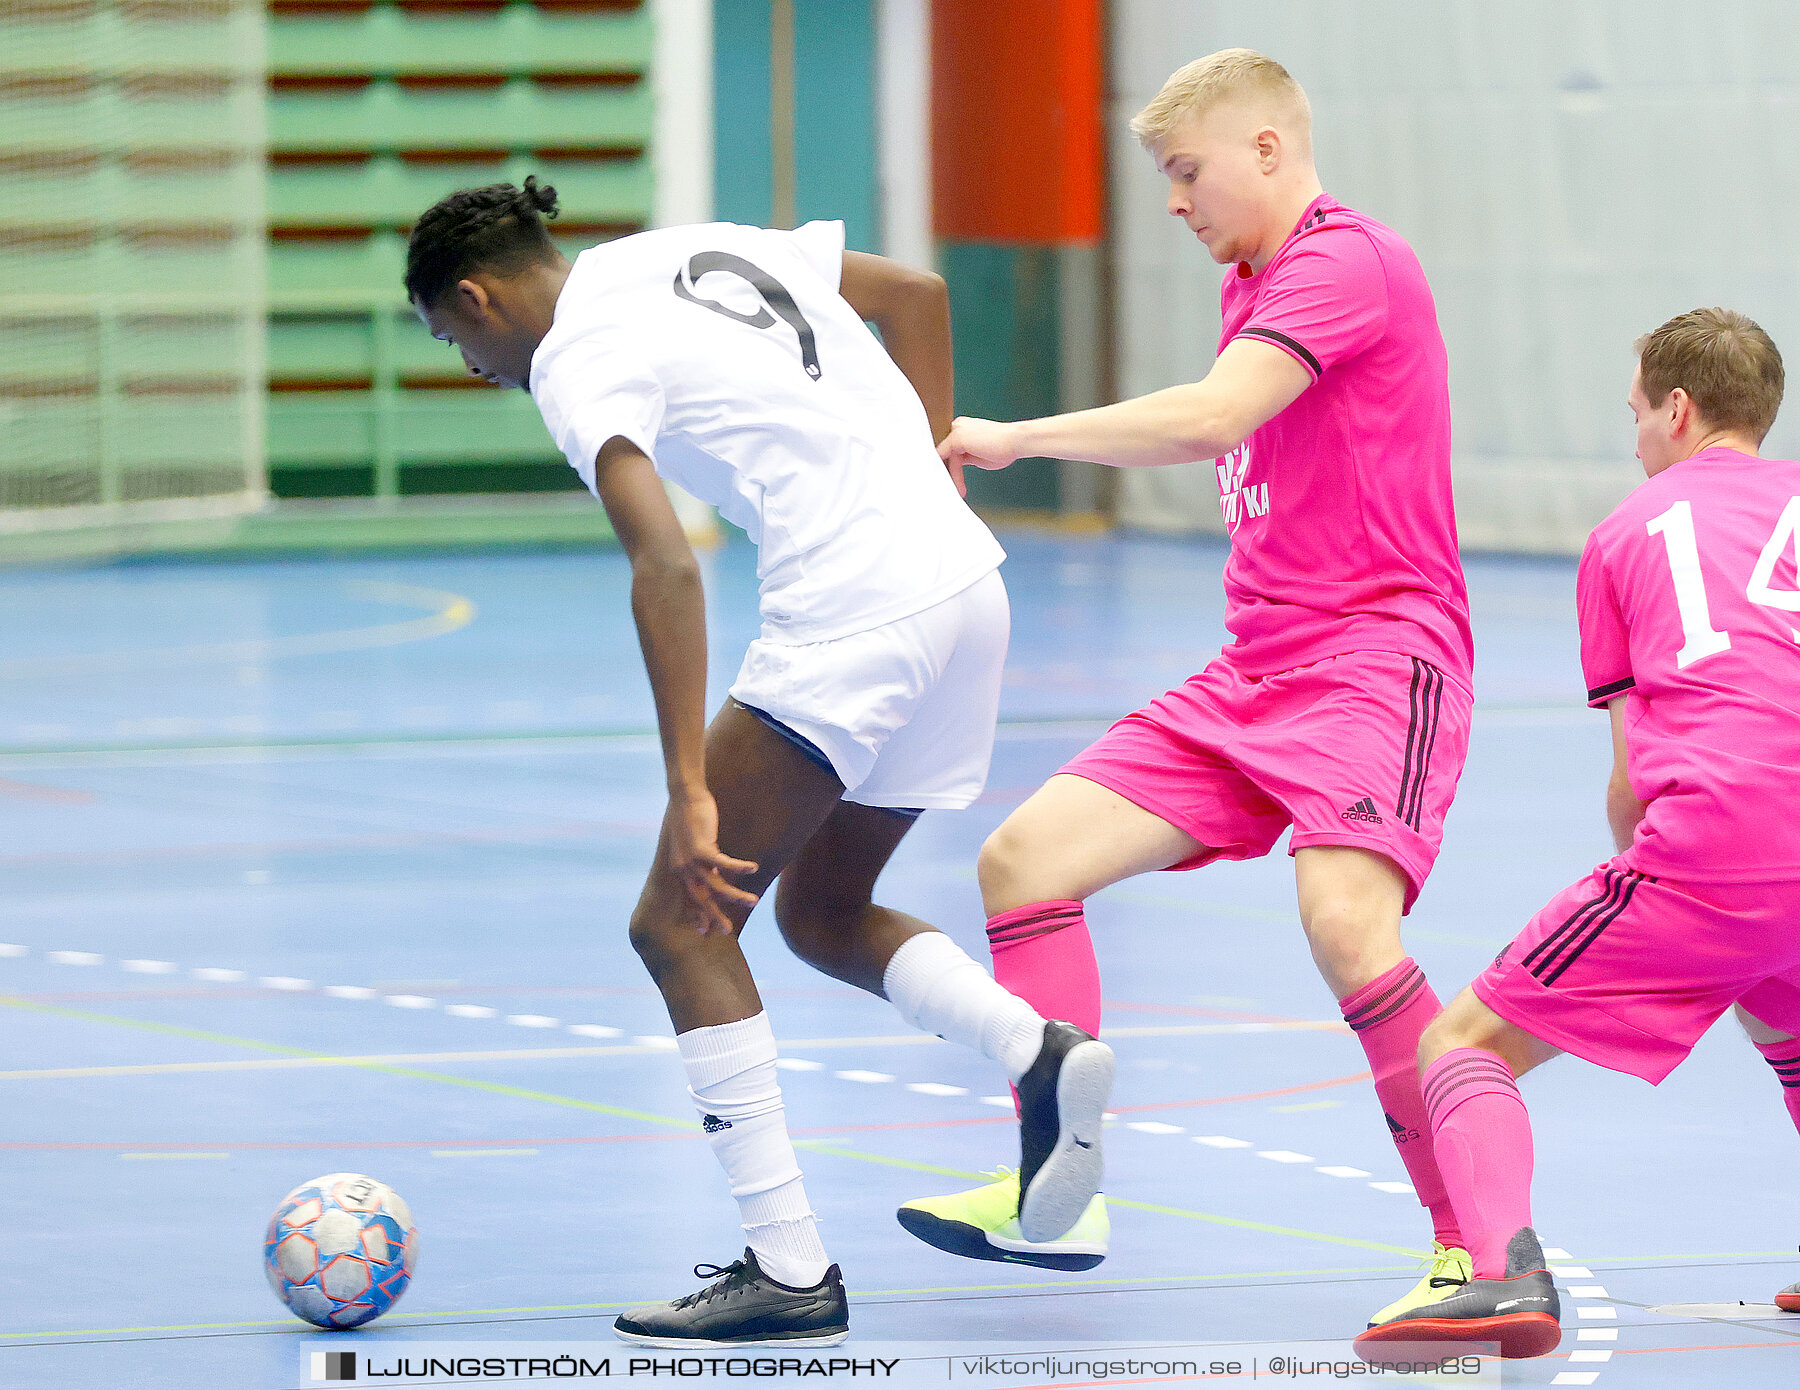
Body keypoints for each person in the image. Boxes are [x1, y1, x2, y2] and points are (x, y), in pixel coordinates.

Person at [403, 178, 1114, 1348]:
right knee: (825, 912)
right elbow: (918, 293)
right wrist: (934, 465)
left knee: (679, 923)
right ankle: (1037, 1051)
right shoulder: (669, 250)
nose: (474, 366)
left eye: (456, 342)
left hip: (854, 612)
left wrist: (690, 791)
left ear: (477, 297)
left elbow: (667, 570)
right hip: (966, 592)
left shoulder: (574, 363)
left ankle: (788, 1269)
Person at [898, 49, 1478, 1329]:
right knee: (1023, 859)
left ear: (1268, 148)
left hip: (1378, 656)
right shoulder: (1253, 283)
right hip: (1254, 671)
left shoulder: (1345, 261)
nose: (1175, 201)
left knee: (1345, 928)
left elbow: (1219, 419)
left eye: (1186, 171)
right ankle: (1062, 1185)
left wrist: (1021, 434)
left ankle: (1476, 1244)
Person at [1356, 308, 1800, 1359]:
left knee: (1460, 1041)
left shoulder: (1623, 534)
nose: (1635, 433)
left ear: (1679, 410)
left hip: (1716, 840)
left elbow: (1633, 779)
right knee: (1784, 1022)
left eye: (1637, 409)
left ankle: (1508, 1276)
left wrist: (1657, 888)